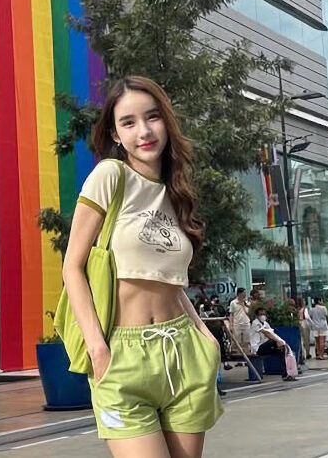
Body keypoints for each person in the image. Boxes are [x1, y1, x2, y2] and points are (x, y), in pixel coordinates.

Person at [63, 76, 222, 456]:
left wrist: (205, 336)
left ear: (166, 122)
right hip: (123, 354)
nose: (144, 131)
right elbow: (72, 267)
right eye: (129, 122)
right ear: (115, 134)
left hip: (183, 351)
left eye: (152, 117)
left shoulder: (176, 192)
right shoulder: (110, 177)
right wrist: (98, 349)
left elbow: (169, 281)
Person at [249, 307, 294, 381]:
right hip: (257, 348)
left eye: (264, 314)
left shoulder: (266, 323)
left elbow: (272, 333)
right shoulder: (255, 323)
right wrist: (277, 341)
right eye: (261, 314)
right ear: (257, 316)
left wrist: (282, 342)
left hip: (266, 346)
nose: (263, 316)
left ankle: (286, 374)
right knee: (273, 342)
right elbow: (267, 333)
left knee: (282, 351)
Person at [229, 288, 251, 359]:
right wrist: (231, 325)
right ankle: (238, 358)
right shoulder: (233, 303)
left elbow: (248, 313)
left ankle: (247, 357)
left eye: (245, 293)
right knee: (237, 341)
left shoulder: (247, 302)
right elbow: (231, 314)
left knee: (246, 341)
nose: (244, 294)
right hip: (237, 324)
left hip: (246, 323)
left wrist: (244, 305)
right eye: (243, 293)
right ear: (239, 294)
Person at [296, 297, 311, 361]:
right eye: (304, 301)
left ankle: (302, 354)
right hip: (304, 323)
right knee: (306, 339)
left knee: (300, 340)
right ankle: (307, 353)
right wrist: (312, 323)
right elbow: (307, 317)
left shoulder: (296, 309)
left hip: (298, 323)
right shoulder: (305, 309)